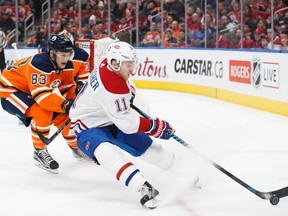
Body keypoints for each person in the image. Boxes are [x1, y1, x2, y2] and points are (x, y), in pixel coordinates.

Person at [69, 41, 198, 209]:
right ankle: (142, 186)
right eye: (128, 65)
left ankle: (183, 172)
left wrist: (151, 124)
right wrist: (155, 127)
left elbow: (127, 104)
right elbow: (127, 124)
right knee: (105, 152)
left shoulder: (108, 66)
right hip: (87, 124)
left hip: (110, 117)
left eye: (132, 64)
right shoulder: (112, 85)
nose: (132, 69)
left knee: (146, 146)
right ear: (115, 64)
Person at [0, 34, 85, 174]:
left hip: (31, 91)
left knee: (64, 116)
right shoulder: (39, 64)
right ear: (51, 53)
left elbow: (67, 88)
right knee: (42, 112)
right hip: (10, 91)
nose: (66, 58)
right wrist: (65, 105)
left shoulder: (68, 64)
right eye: (62, 55)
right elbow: (42, 97)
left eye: (68, 54)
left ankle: (77, 147)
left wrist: (74, 104)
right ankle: (39, 152)